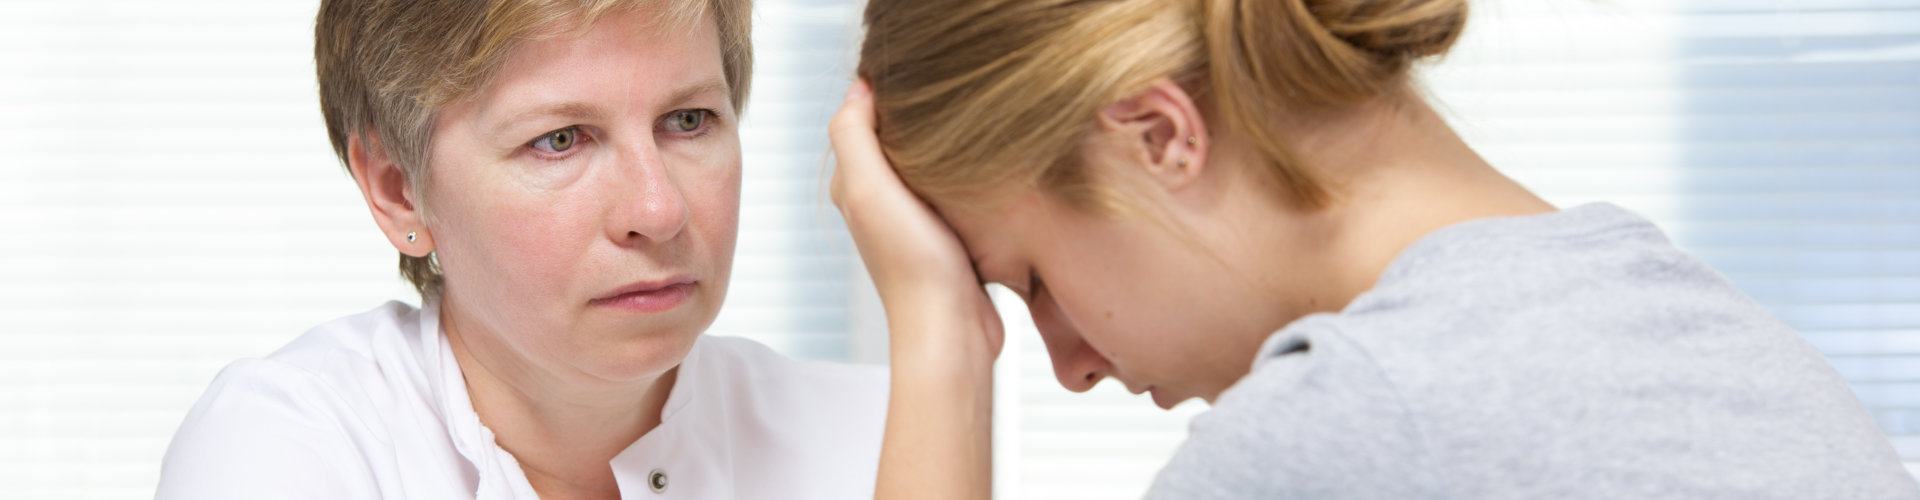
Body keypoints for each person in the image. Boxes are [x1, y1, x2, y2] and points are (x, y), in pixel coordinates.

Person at [828, 0, 1920, 497]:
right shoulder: (1700, 331)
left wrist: (936, 345)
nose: (1069, 363)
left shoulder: (1351, 421)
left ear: (1158, 135)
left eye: (1027, 281)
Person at [155, 0, 887, 498]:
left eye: (688, 120)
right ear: (398, 190)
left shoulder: (876, 440)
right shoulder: (284, 444)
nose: (658, 210)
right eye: (559, 140)